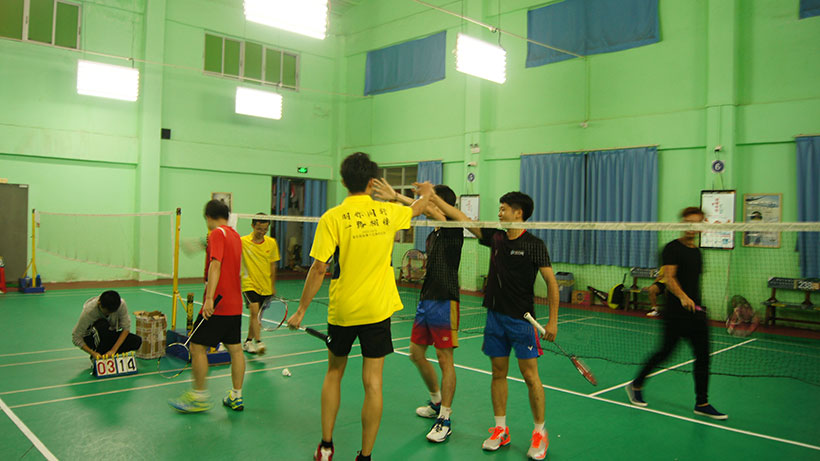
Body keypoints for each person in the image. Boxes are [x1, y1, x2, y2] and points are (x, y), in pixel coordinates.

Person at [287, 152, 433, 461]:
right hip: (377, 309)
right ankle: (365, 456)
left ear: (343, 182)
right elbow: (419, 208)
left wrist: (301, 310)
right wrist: (426, 192)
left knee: (334, 373)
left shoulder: (332, 217)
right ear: (372, 182)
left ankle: (326, 447)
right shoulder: (388, 212)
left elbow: (319, 268)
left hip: (344, 309)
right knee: (373, 383)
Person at [430, 191, 559, 461]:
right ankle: (501, 429)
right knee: (498, 374)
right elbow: (462, 218)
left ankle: (540, 432)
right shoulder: (496, 238)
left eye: (503, 209)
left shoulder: (534, 245)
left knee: (530, 377)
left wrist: (552, 320)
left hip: (522, 321)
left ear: (518, 213)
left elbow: (551, 282)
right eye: (499, 209)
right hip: (495, 318)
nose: (499, 213)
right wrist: (434, 198)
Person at [372, 178, 463, 443]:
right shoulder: (433, 234)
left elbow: (429, 209)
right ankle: (436, 400)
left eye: (431, 200)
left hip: (445, 300)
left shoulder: (453, 227)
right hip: (426, 299)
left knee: (445, 360)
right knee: (416, 353)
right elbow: (426, 210)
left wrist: (397, 196)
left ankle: (445, 418)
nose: (427, 205)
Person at [626, 207, 728, 420]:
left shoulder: (697, 252)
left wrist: (695, 302)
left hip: (695, 313)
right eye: (688, 222)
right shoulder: (671, 248)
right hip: (675, 314)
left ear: (702, 226)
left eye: (696, 223)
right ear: (682, 224)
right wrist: (682, 297)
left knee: (703, 356)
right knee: (664, 352)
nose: (692, 227)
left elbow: (692, 282)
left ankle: (702, 402)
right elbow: (670, 278)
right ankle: (636, 385)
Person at [169, 199, 246, 413]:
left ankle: (199, 397)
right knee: (235, 350)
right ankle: (236, 396)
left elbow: (216, 265)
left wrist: (209, 298)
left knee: (197, 347)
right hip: (235, 304)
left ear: (209, 217)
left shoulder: (216, 234)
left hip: (218, 304)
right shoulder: (235, 236)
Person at [241, 213, 280, 354]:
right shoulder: (243, 242)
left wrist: (272, 285)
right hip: (248, 283)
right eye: (259, 229)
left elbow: (272, 266)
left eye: (265, 229)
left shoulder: (271, 243)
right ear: (252, 226)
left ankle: (248, 341)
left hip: (265, 285)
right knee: (254, 312)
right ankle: (259, 342)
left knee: (256, 316)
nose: (262, 232)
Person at [72, 290, 142, 362]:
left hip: (110, 333)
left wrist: (113, 350)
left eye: (112, 312)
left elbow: (126, 329)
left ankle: (106, 356)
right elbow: (76, 337)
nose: (109, 314)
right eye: (107, 312)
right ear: (99, 303)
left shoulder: (121, 305)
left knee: (136, 341)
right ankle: (98, 356)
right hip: (92, 337)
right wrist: (93, 353)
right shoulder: (89, 311)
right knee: (102, 324)